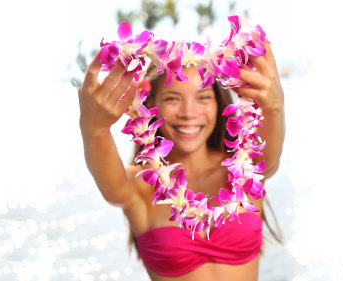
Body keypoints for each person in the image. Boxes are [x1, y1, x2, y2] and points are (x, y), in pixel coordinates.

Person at [77, 42, 285, 281]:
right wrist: (94, 129)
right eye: (173, 98)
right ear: (151, 104)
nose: (189, 112)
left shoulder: (246, 168)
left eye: (203, 97)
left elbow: (269, 161)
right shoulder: (139, 188)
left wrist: (276, 107)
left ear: (218, 103)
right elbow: (111, 188)